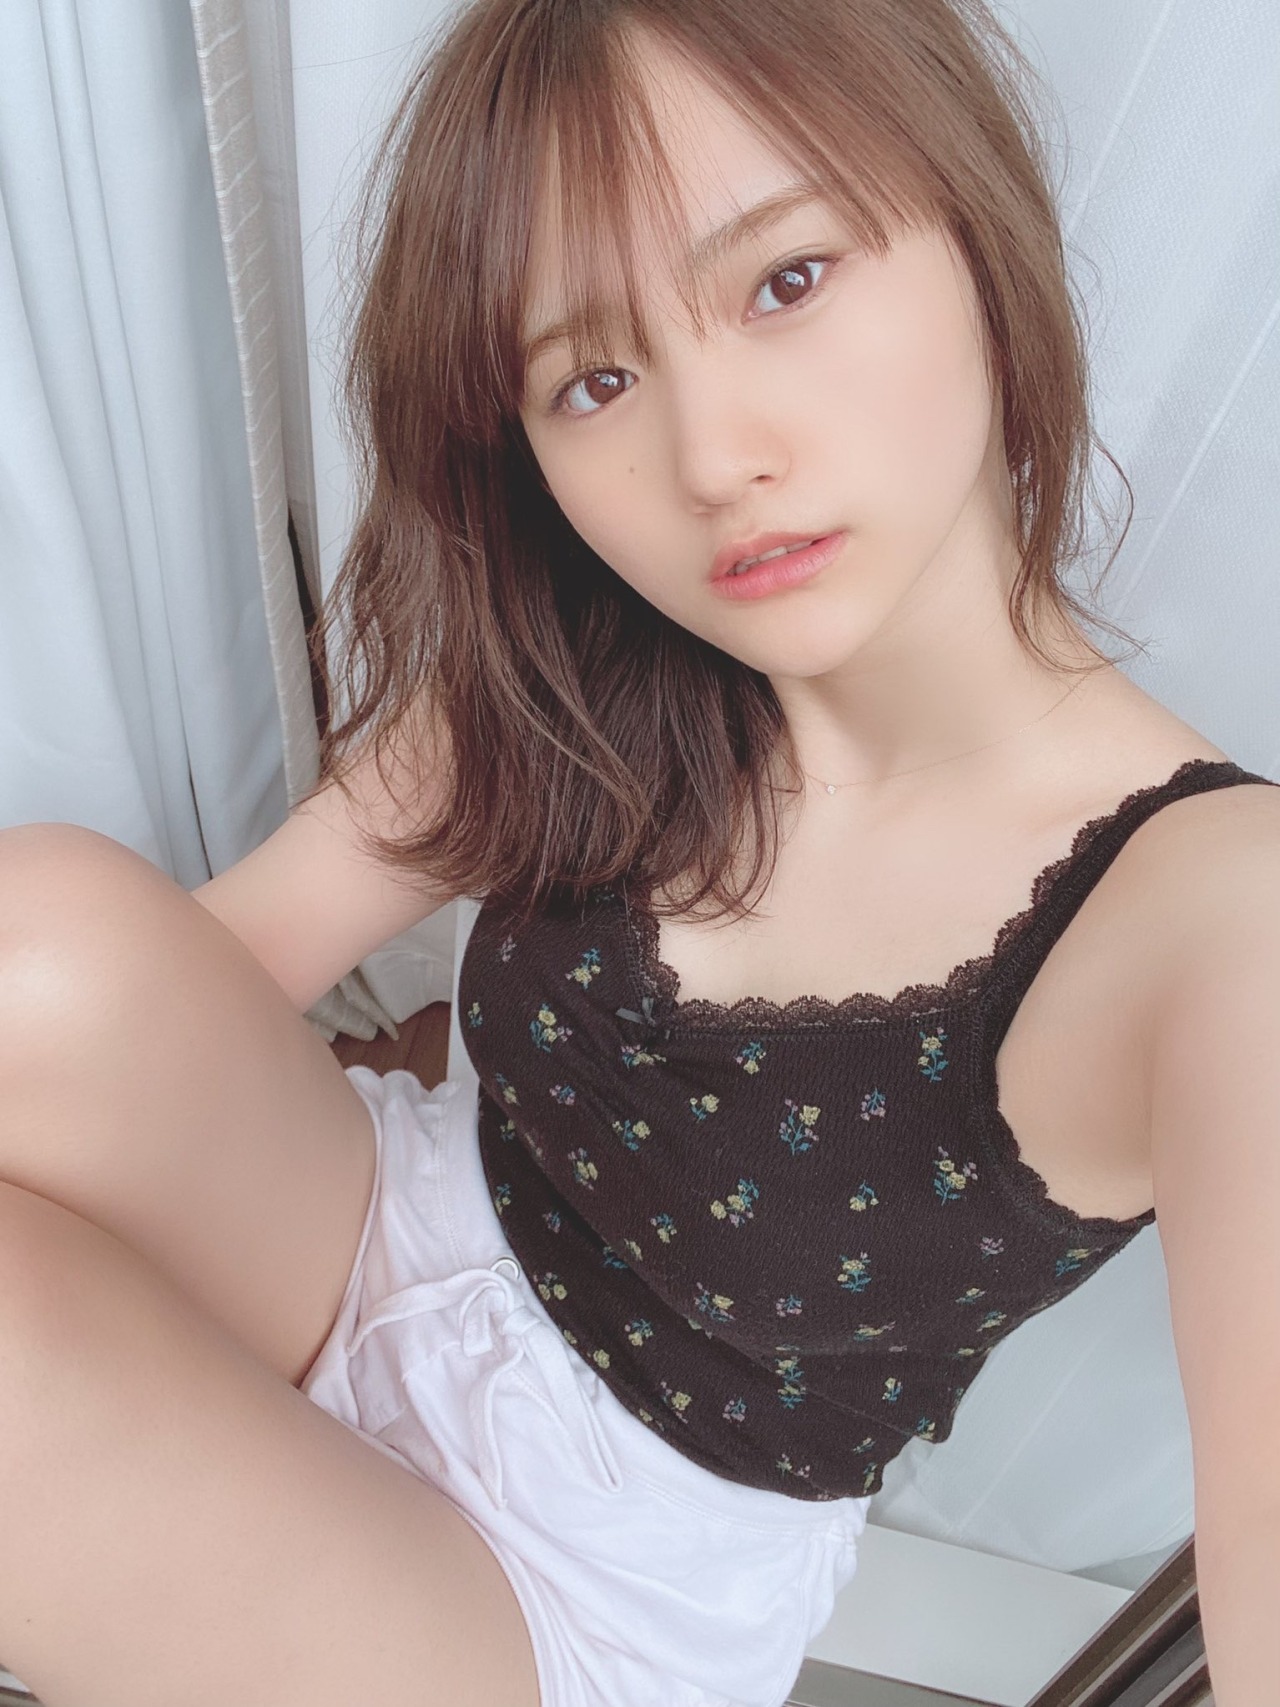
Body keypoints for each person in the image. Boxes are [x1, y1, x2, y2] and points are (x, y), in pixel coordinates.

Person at [0, 1, 1276, 1704]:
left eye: (786, 282)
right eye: (594, 380)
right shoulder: (591, 674)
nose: (712, 461)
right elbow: (165, 1002)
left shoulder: (1218, 918)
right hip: (382, 1236)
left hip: (587, 1592)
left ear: (975, 227)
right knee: (47, 935)